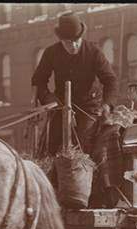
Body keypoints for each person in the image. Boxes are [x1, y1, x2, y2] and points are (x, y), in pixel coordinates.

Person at [31, 11, 118, 157]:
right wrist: (48, 98)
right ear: (61, 40)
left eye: (76, 40)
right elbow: (38, 80)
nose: (73, 45)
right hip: (60, 107)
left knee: (82, 147)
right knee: (50, 148)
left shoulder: (93, 52)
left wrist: (107, 105)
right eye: (68, 41)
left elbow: (110, 80)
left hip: (88, 108)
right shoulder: (51, 53)